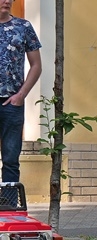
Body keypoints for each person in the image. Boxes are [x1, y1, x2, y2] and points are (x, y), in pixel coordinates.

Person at [0, 0, 41, 192]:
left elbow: (36, 66)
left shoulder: (23, 27)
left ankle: (8, 205)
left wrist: (21, 95)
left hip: (12, 103)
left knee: (10, 159)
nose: (7, 1)